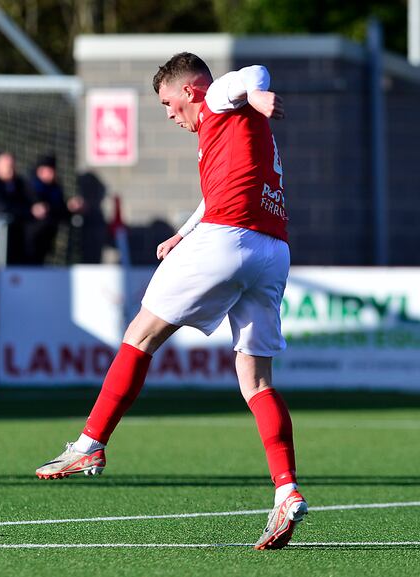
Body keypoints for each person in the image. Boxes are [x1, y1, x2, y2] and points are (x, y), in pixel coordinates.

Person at [35, 53, 307, 550]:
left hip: (229, 240)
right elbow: (213, 194)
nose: (169, 114)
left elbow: (253, 74)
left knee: (140, 334)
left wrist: (257, 93)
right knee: (257, 380)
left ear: (189, 90)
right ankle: (286, 490)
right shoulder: (227, 132)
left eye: (167, 102)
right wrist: (183, 232)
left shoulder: (221, 97)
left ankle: (90, 444)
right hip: (273, 249)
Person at [25, 153, 84, 264]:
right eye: (49, 171)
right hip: (29, 240)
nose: (52, 174)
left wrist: (70, 208)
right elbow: (42, 209)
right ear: (40, 170)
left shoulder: (55, 188)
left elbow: (59, 210)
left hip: (46, 240)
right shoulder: (30, 186)